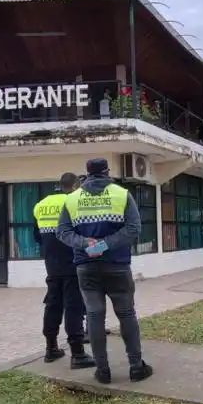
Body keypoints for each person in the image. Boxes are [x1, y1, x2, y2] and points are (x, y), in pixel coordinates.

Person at [57, 157, 154, 384]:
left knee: (94, 315)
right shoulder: (122, 194)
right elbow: (134, 228)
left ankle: (102, 371)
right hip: (117, 265)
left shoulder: (72, 199)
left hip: (86, 267)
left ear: (88, 173)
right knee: (127, 314)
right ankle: (136, 367)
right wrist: (105, 245)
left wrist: (85, 243)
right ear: (107, 172)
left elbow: (63, 232)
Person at [33, 173, 96, 369]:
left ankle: (51, 348)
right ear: (76, 185)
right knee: (73, 307)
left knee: (53, 305)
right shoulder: (74, 202)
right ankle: (77, 353)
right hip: (72, 263)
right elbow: (84, 233)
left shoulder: (41, 205)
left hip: (52, 265)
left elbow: (37, 237)